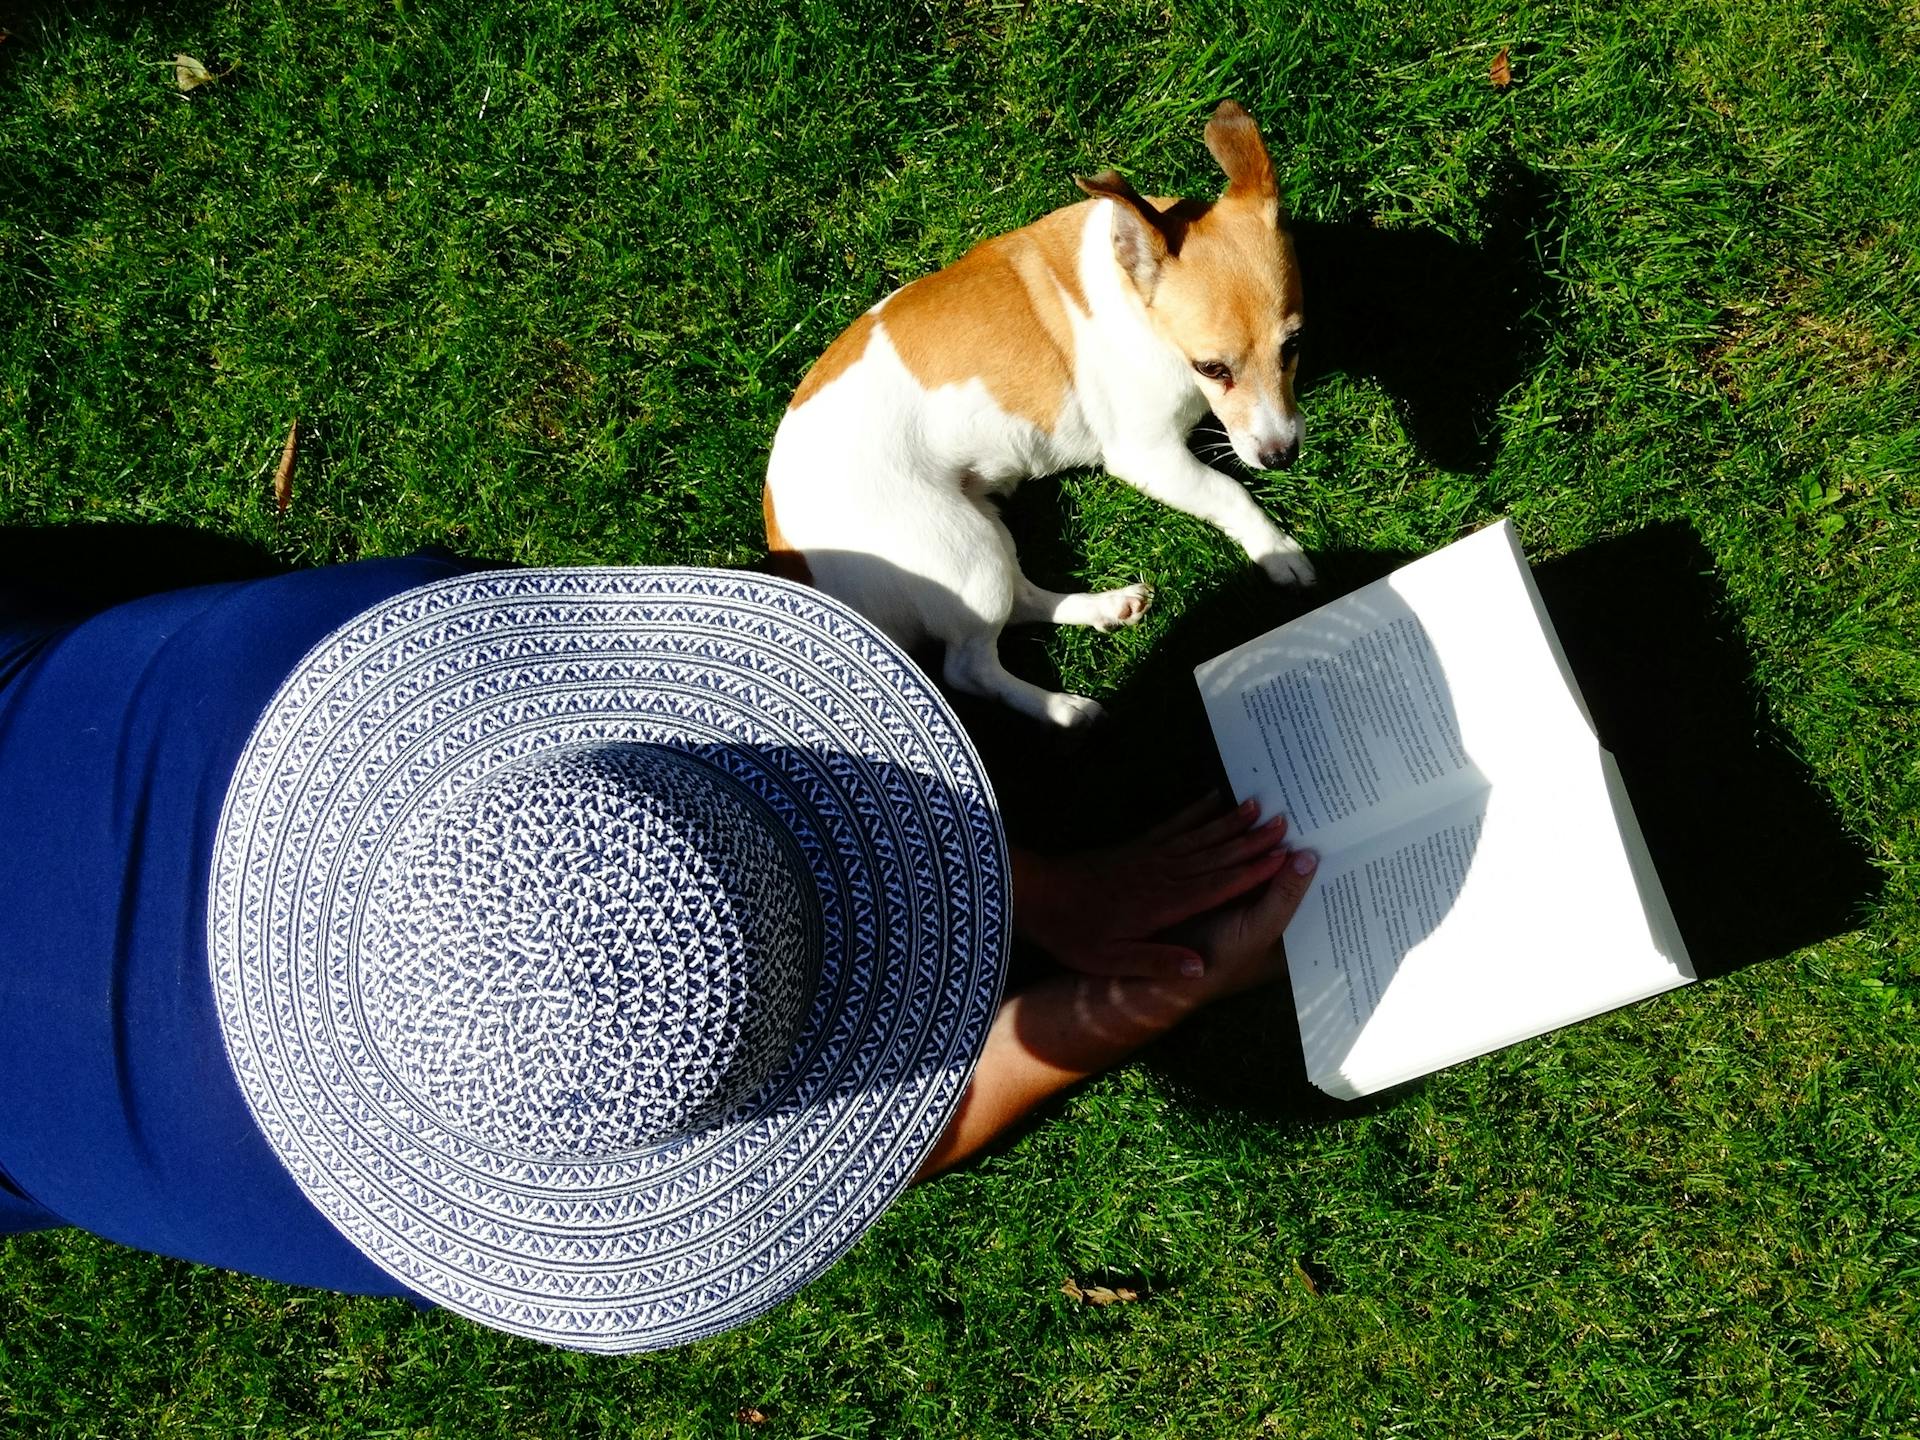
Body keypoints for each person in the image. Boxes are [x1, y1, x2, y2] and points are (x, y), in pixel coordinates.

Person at [0, 550, 1315, 1352]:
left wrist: (1049, 912)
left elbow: (825, 1143)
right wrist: (1124, 998)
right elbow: (844, 1146)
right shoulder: (370, 640)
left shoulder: (351, 638)